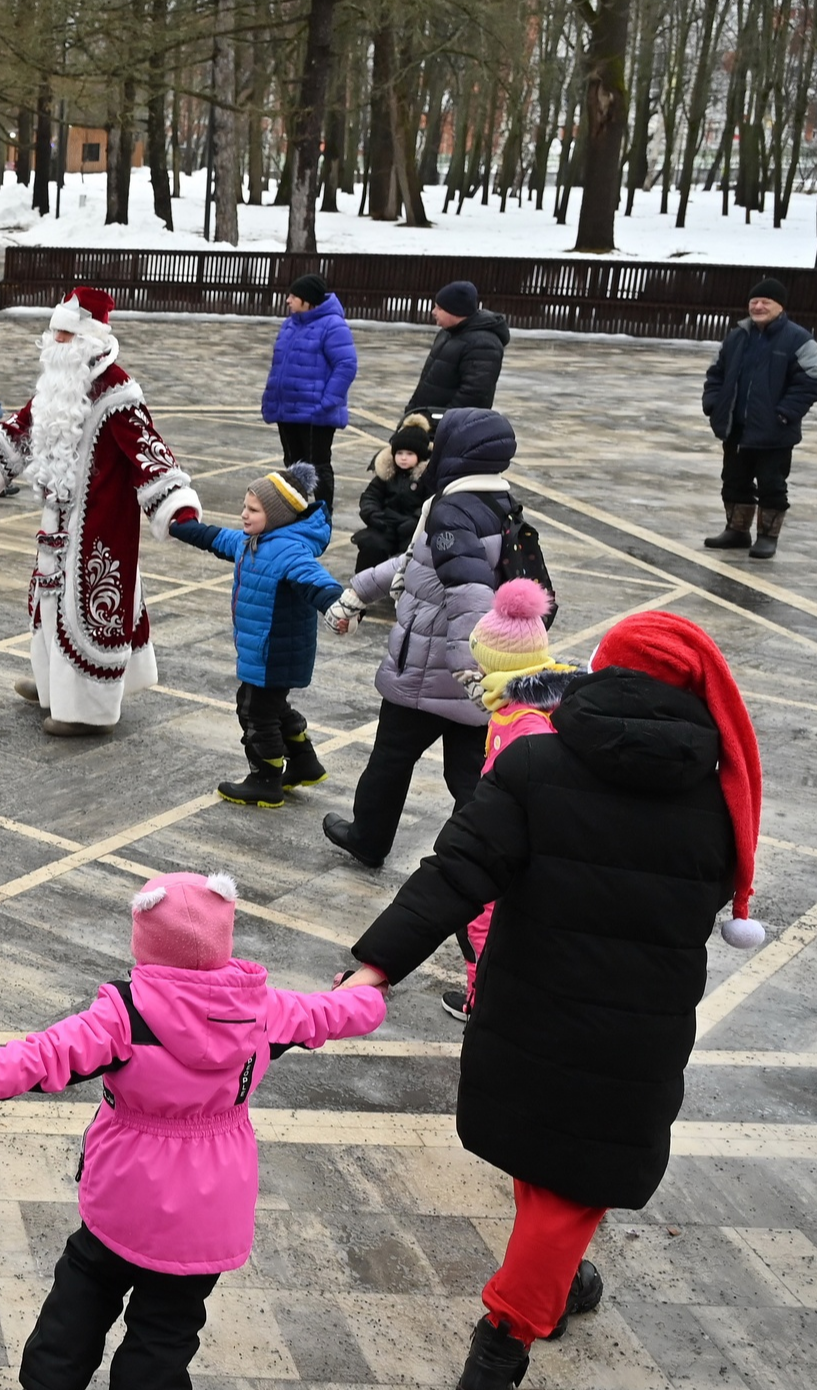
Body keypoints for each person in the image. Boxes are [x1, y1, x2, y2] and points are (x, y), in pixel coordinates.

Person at [342, 611, 762, 1388]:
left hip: (530, 1005)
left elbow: (457, 870)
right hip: (634, 1034)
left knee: (553, 1168)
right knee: (570, 1179)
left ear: (602, 671)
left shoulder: (535, 764)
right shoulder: (713, 804)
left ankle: (513, 1321)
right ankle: (518, 1319)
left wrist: (377, 960)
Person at [0, 871, 384, 1389]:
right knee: (166, 1334)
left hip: (124, 1197)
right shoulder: (263, 1010)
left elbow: (43, 1057)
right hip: (210, 1213)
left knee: (81, 1296)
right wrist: (370, 988)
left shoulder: (124, 1013)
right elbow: (332, 1013)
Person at [0, 289, 202, 737]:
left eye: (64, 333)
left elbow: (149, 451)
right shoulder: (58, 382)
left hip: (100, 525)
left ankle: (87, 710)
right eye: (54, 332)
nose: (55, 340)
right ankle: (53, 688)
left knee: (89, 611)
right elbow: (22, 429)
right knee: (48, 603)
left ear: (90, 337)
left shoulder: (119, 392)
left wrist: (175, 505)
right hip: (56, 520)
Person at [322, 408, 519, 867]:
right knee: (470, 776)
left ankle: (368, 839)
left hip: (433, 669)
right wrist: (359, 593)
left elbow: (469, 593)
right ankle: (476, 857)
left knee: (390, 761)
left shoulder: (450, 510)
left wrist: (467, 666)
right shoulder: (498, 504)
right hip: (473, 677)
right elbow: (416, 564)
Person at [443, 577, 580, 1022]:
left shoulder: (524, 719)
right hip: (508, 828)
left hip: (512, 837)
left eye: (481, 662)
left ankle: (485, 1005)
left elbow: (532, 783)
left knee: (481, 921)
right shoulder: (520, 698)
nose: (478, 672)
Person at [169, 463, 346, 807]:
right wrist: (179, 526)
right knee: (271, 707)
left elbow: (318, 582)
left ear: (277, 516)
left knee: (253, 711)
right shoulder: (252, 542)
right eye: (245, 507)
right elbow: (212, 537)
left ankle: (265, 778)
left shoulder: (288, 550)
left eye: (253, 510)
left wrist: (338, 606)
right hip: (266, 650)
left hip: (276, 651)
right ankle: (305, 763)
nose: (243, 515)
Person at [700, 275, 814, 559]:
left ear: (780, 306)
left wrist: (785, 414)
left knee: (771, 485)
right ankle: (737, 531)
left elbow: (810, 381)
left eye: (766, 301)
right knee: (734, 480)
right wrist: (713, 404)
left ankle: (767, 537)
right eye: (754, 301)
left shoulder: (799, 339)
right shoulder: (737, 336)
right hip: (736, 427)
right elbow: (715, 373)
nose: (758, 306)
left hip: (774, 430)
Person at [261, 272, 357, 512]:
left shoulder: (333, 325)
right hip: (287, 409)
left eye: (294, 296)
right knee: (293, 465)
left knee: (318, 466)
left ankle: (323, 514)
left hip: (315, 412)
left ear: (308, 300)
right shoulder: (290, 323)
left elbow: (346, 366)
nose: (288, 300)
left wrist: (327, 402)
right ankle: (296, 510)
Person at [406, 280, 509, 417]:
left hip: (450, 427)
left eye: (440, 308)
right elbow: (428, 380)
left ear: (456, 311)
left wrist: (439, 420)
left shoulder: (483, 344)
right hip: (429, 420)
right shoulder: (447, 333)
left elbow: (474, 395)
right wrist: (413, 409)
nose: (434, 312)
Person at [351, 414, 435, 576]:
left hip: (413, 527)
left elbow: (432, 503)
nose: (403, 458)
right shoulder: (386, 476)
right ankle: (363, 582)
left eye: (409, 454)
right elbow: (370, 497)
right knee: (371, 545)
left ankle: (404, 586)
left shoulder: (427, 479)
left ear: (420, 456)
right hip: (386, 523)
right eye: (400, 453)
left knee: (415, 552)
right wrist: (373, 515)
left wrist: (417, 521)